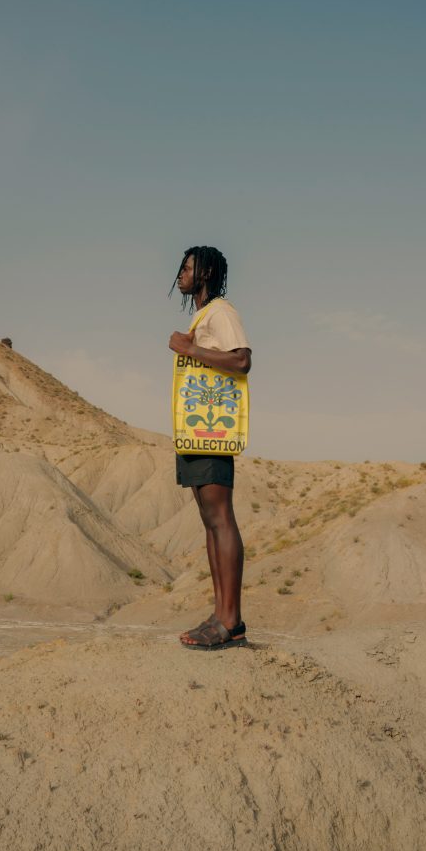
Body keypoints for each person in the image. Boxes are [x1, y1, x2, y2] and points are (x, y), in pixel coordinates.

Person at [169, 246, 252, 650]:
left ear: (205, 272)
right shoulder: (202, 315)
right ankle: (220, 615)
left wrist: (190, 349)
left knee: (221, 518)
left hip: (214, 432)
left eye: (187, 267)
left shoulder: (221, 311)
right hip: (197, 431)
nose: (180, 273)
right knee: (209, 520)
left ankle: (231, 621)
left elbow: (240, 361)